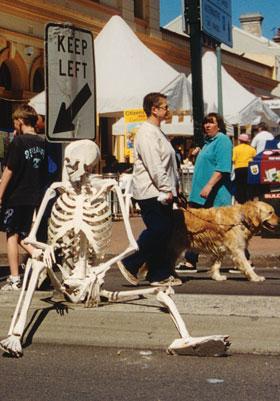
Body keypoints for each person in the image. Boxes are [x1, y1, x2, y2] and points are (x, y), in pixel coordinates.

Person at [118, 92, 182, 287]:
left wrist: (175, 188)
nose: (168, 110)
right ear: (154, 109)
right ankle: (131, 262)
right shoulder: (146, 133)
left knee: (165, 232)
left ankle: (158, 273)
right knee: (158, 229)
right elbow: (155, 164)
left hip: (162, 191)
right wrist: (166, 187)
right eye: (165, 107)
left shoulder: (158, 132)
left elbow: (168, 163)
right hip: (151, 191)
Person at [176, 112, 233, 273]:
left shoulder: (222, 141)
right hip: (200, 194)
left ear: (219, 125)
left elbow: (222, 168)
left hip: (214, 194)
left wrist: (209, 186)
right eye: (205, 123)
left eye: (211, 123)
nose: (207, 125)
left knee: (223, 229)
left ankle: (245, 258)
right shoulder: (208, 142)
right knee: (196, 228)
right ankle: (190, 261)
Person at [0, 104, 46, 290]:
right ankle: (38, 254)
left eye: (15, 122)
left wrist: (0, 193)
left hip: (15, 195)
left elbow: (9, 171)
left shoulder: (18, 143)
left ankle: (14, 278)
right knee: (23, 234)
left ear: (20, 121)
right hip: (33, 196)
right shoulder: (42, 142)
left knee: (11, 235)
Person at [232, 133, 256, 204]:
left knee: (240, 185)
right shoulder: (252, 149)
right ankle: (249, 199)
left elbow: (233, 159)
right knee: (248, 185)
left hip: (238, 168)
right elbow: (255, 159)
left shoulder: (235, 149)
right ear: (248, 141)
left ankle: (241, 200)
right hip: (249, 168)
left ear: (239, 140)